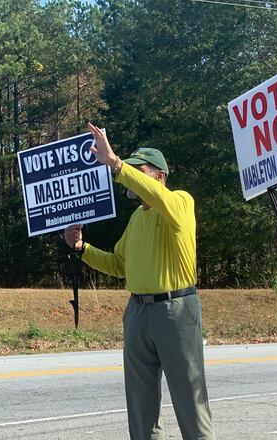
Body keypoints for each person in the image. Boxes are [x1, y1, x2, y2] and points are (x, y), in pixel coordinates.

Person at [63, 123, 215, 440]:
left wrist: (117, 164)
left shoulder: (180, 202)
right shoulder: (136, 218)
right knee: (140, 404)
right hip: (137, 311)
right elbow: (119, 265)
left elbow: (159, 197)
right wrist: (82, 249)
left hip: (175, 309)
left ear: (159, 176)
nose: (130, 174)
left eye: (138, 169)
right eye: (129, 168)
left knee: (189, 399)